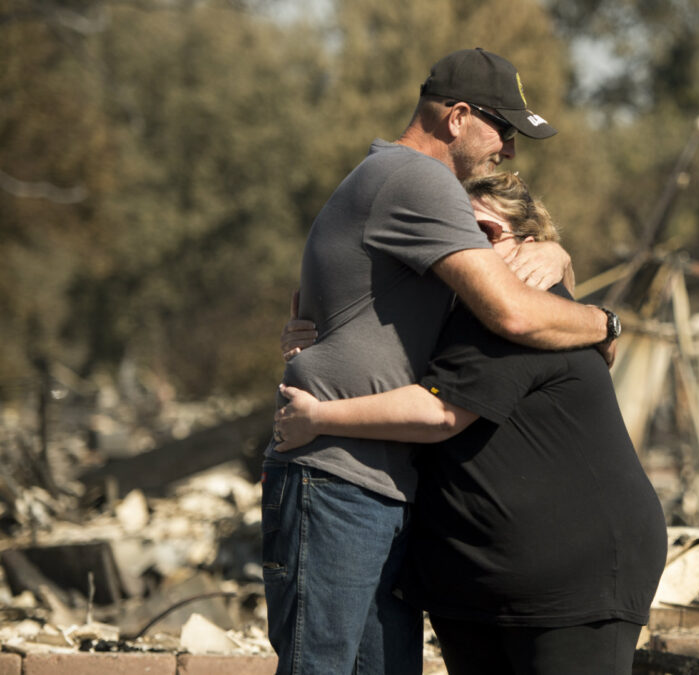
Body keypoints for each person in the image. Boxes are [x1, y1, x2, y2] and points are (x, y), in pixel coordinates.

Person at [262, 49, 622, 675]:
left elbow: (490, 275)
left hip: (374, 485)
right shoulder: (419, 181)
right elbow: (512, 312)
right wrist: (607, 323)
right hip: (337, 479)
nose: (509, 150)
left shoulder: (400, 183)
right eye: (503, 131)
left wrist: (555, 254)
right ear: (456, 117)